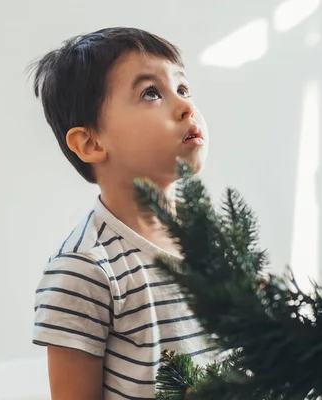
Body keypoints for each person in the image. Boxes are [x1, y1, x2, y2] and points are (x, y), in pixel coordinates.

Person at [30, 27, 215, 400]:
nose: (186, 107)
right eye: (151, 93)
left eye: (183, 89)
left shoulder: (210, 239)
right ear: (91, 142)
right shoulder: (84, 270)